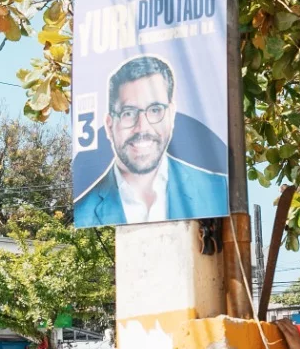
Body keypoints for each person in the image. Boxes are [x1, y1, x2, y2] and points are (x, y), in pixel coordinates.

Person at [72, 55, 228, 226]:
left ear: (171, 114)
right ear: (109, 125)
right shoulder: (84, 211)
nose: (142, 127)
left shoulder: (216, 190)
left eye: (155, 110)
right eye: (128, 113)